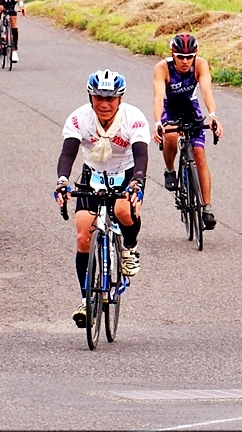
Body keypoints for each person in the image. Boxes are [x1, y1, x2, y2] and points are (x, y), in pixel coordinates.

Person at [54, 69, 149, 328]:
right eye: (99, 98)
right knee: (83, 236)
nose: (104, 104)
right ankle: (87, 300)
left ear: (120, 99)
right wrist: (62, 181)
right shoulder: (79, 118)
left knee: (124, 211)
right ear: (90, 97)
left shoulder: (133, 118)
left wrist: (137, 181)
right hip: (93, 175)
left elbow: (141, 155)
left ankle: (129, 248)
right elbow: (67, 154)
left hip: (127, 173)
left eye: (110, 98)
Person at [151, 33, 224, 230]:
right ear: (172, 55)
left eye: (189, 57)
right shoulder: (162, 68)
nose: (185, 61)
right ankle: (170, 169)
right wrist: (157, 122)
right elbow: (158, 97)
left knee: (199, 154)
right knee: (171, 136)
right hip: (170, 107)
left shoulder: (200, 65)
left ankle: (207, 208)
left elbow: (206, 91)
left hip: (190, 107)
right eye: (181, 57)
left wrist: (213, 115)